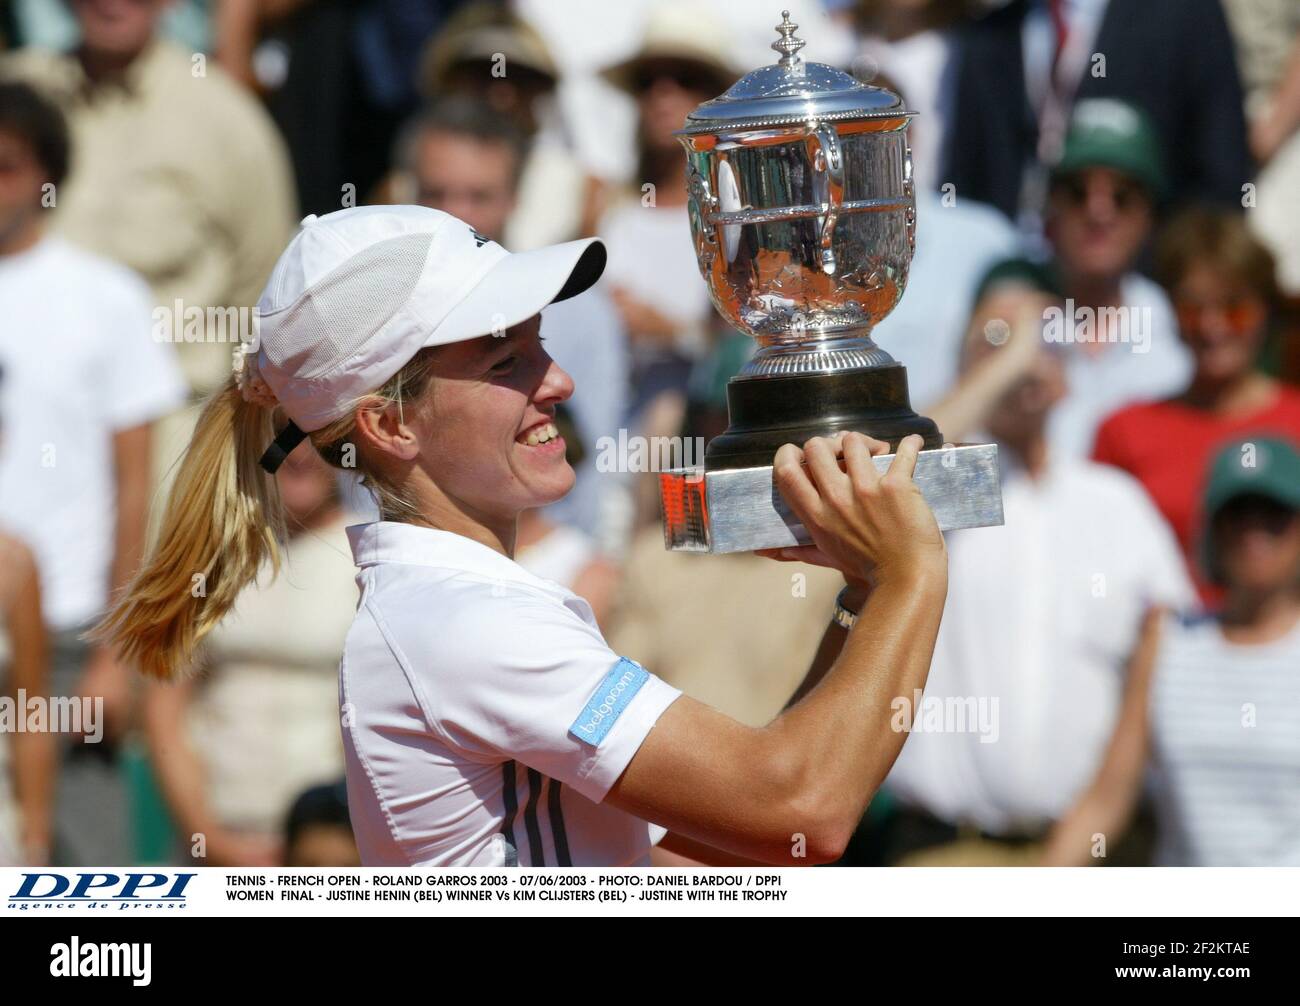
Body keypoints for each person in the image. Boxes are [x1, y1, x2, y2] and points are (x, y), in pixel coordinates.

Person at [95, 204, 949, 867]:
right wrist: (911, 574)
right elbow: (803, 810)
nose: (561, 382)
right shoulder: (468, 623)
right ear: (389, 425)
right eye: (508, 363)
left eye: (539, 346)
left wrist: (866, 598)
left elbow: (728, 846)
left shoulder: (456, 607)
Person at [879, 273, 1195, 865]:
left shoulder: (1116, 503)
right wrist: (1008, 358)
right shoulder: (937, 494)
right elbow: (894, 469)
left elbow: (1153, 674)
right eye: (996, 337)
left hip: (1089, 855)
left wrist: (1093, 825)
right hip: (944, 856)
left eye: (1047, 338)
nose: (1026, 355)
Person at [0, 79, 187, 865]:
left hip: (72, 633)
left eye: (5, 165)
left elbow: (137, 484)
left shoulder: (105, 297)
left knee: (86, 872)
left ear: (47, 173)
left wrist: (119, 649)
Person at [0, 0, 297, 396]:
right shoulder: (17, 95)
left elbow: (266, 286)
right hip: (22, 408)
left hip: (171, 419)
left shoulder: (225, 118)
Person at [1044, 437, 1300, 866]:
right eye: (1237, 513)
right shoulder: (1168, 640)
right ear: (1212, 529)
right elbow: (1108, 798)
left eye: (1274, 514)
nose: (1253, 530)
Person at [394, 95, 631, 557]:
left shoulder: (581, 311)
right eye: (436, 193)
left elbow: (595, 474)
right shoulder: (373, 312)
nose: (455, 215)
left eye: (478, 196)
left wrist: (559, 567)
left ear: (515, 199)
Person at [141, 440, 359, 867]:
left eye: (314, 436)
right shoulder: (210, 555)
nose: (298, 452)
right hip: (212, 842)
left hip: (330, 851)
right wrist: (207, 835)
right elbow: (164, 708)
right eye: (281, 436)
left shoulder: (368, 559)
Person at [1092, 208, 1300, 604]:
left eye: (1234, 308)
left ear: (1265, 312)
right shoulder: (1124, 431)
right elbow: (1099, 556)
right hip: (1161, 651)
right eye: (1193, 308)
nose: (1212, 326)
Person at [985, 98, 1193, 460]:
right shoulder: (1005, 308)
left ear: (1150, 216)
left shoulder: (1181, 326)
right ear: (1052, 206)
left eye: (1123, 196)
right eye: (1078, 193)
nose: (1099, 212)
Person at [944, 0, 1251, 229]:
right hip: (1012, 288)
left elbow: (1220, 179)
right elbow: (964, 187)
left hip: (1138, 291)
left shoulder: (1186, 16)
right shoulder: (987, 34)